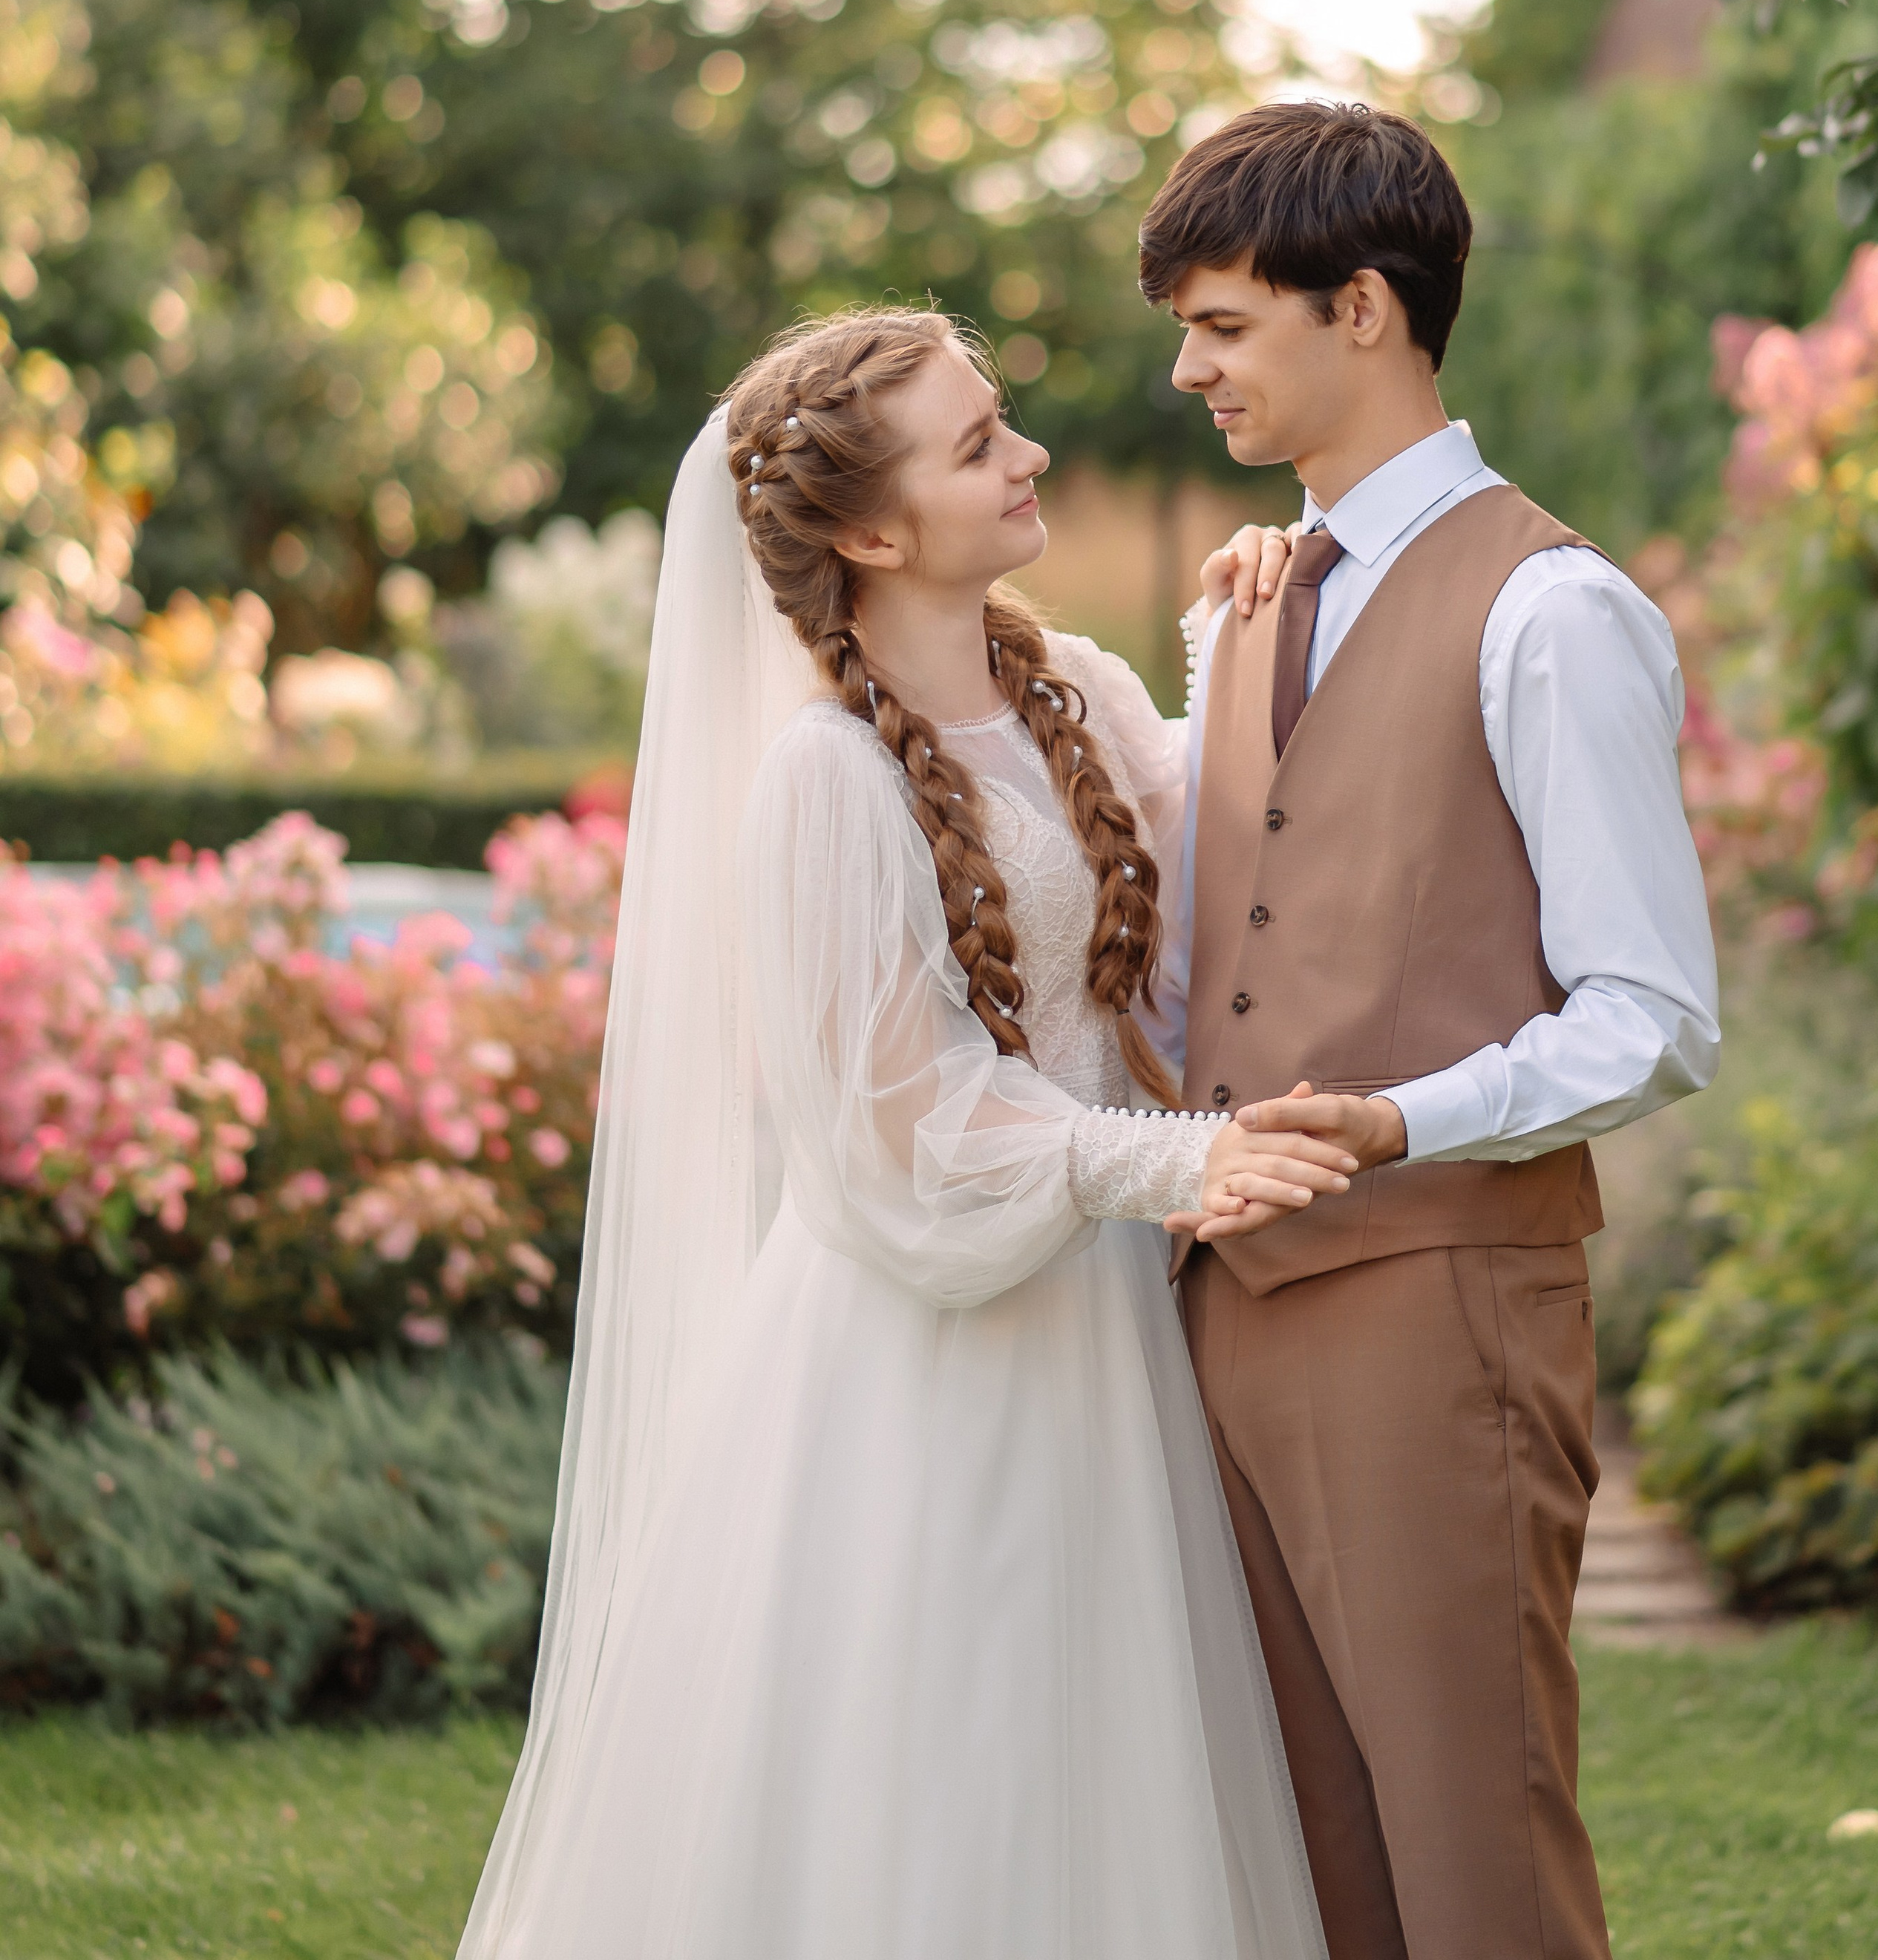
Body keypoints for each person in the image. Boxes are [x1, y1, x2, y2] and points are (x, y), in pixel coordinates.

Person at [457, 305, 1351, 1960]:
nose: (1027, 458)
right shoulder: (822, 779)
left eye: (999, 419)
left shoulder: (1073, 689)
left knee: (1107, 1760)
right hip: (917, 1349)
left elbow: (1210, 918)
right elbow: (903, 1124)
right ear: (870, 530)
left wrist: (1229, 641)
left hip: (1096, 1329)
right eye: (975, 445)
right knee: (938, 1760)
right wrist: (1172, 1165)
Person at [1137, 101, 1722, 1960]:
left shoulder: (1551, 610)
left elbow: (1650, 1015)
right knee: (1319, 1859)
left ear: (1364, 309)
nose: (1186, 367)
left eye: (1224, 323)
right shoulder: (1243, 611)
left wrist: (1394, 1119)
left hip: (1441, 1308)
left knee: (1474, 1852)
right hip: (1227, 1310)